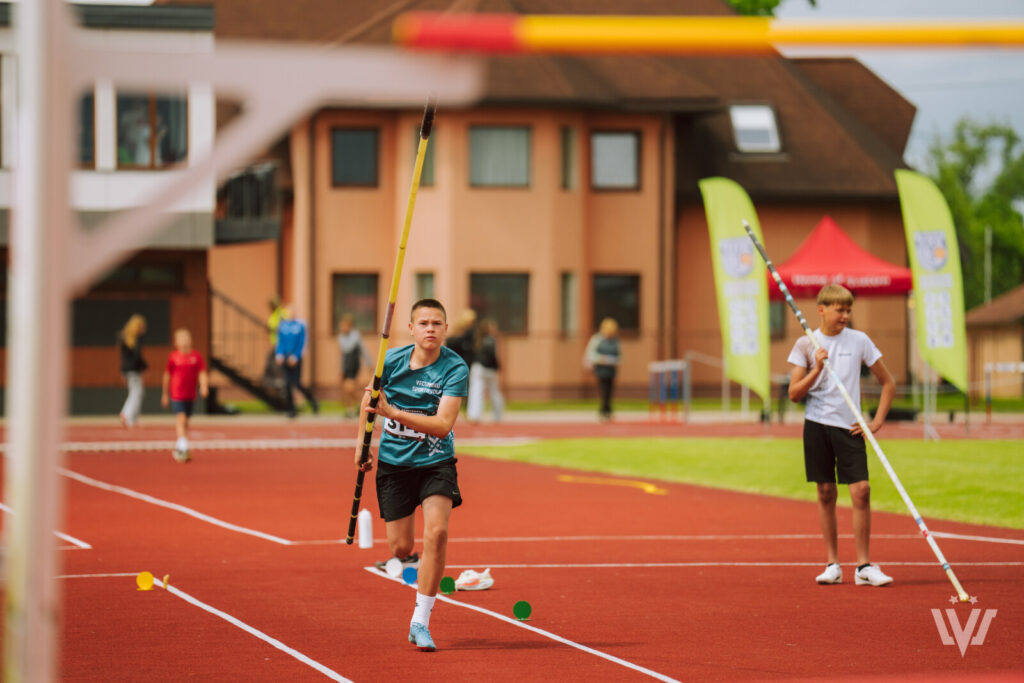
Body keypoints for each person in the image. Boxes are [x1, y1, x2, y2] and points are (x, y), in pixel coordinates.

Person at [355, 298, 469, 652]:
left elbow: (442, 425)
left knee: (437, 532)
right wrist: (362, 447)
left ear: (445, 329)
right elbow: (369, 405)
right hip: (394, 464)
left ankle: (421, 620)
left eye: (437, 323)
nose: (430, 329)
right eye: (423, 323)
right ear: (411, 328)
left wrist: (395, 412)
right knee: (400, 547)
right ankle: (413, 563)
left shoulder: (455, 368)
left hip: (436, 463)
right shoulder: (389, 361)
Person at [787, 284, 895, 588]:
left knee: (861, 490)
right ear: (821, 310)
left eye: (849, 310)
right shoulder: (806, 345)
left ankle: (864, 566)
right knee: (825, 492)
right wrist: (817, 368)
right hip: (817, 424)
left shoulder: (859, 341)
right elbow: (794, 394)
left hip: (849, 426)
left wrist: (875, 423)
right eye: (840, 309)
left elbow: (888, 383)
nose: (845, 315)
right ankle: (833, 564)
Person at [161, 328, 209, 463]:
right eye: (181, 339)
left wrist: (204, 386)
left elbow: (202, 373)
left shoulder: (196, 356)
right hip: (177, 394)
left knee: (186, 421)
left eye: (186, 339)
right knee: (181, 419)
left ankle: (179, 445)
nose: (184, 342)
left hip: (190, 394)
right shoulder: (173, 357)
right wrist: (165, 394)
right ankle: (183, 448)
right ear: (176, 342)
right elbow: (167, 375)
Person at [275, 305, 319, 418]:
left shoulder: (300, 325)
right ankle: (291, 409)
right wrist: (279, 354)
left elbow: (302, 342)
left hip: (295, 359)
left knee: (297, 383)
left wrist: (296, 356)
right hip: (285, 357)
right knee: (287, 384)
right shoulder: (283, 326)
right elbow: (280, 342)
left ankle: (313, 401)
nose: (290, 314)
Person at [583, 317, 621, 422]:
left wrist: (615, 360)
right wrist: (603, 359)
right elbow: (591, 354)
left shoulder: (615, 341)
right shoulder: (597, 340)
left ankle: (607, 410)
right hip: (601, 369)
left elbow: (620, 356)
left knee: (609, 390)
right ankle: (604, 411)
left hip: (611, 370)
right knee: (603, 390)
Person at [466, 318, 504, 423]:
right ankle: (497, 415)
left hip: (478, 367)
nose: (494, 329)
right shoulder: (490, 340)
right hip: (487, 368)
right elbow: (492, 356)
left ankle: (474, 415)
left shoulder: (478, 339)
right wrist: (497, 367)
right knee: (493, 391)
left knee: (476, 391)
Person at [337, 314, 372, 418]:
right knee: (346, 390)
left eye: (344, 326)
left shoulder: (355, 336)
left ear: (349, 326)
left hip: (354, 364)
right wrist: (341, 369)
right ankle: (352, 408)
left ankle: (359, 405)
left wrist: (369, 363)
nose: (342, 328)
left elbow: (363, 351)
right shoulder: (341, 337)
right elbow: (342, 355)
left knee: (350, 388)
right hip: (345, 366)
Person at [118, 314, 148, 428]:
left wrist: (123, 370)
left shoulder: (125, 338)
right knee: (136, 393)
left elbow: (124, 358)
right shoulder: (134, 339)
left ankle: (132, 418)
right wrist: (144, 367)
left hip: (128, 370)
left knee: (137, 392)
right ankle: (127, 415)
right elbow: (137, 356)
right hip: (134, 370)